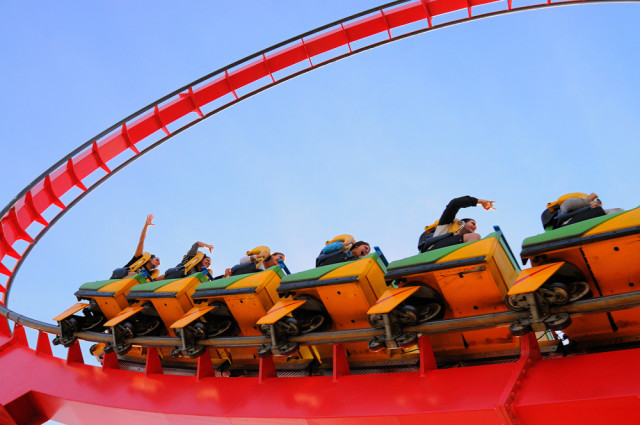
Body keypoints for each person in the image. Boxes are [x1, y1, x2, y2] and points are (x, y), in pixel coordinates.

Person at [418, 196, 495, 253]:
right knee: (475, 236)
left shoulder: (464, 240)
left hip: (449, 254)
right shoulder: (446, 226)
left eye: (475, 227)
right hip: (433, 249)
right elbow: (454, 204)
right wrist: (481, 202)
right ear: (462, 223)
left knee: (476, 240)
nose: (474, 227)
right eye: (473, 223)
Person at [110, 214, 162, 280]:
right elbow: (141, 242)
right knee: (135, 275)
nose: (158, 263)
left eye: (159, 263)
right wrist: (146, 226)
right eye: (157, 260)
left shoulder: (150, 275)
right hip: (120, 275)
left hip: (130, 285)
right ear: (150, 259)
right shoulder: (139, 258)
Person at [551, 192, 623, 228]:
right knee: (617, 211)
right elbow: (567, 205)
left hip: (586, 227)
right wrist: (588, 200)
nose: (599, 204)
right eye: (596, 201)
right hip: (569, 226)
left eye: (600, 203)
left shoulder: (594, 213)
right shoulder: (565, 209)